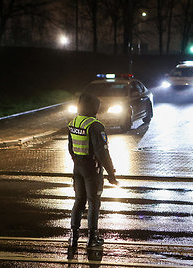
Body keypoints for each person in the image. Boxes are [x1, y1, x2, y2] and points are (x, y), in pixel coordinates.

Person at [68, 92, 119, 251]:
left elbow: (70, 147)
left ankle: (73, 236)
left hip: (78, 167)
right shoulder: (95, 126)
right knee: (93, 202)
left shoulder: (74, 122)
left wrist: (77, 161)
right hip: (92, 169)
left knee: (79, 201)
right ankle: (92, 238)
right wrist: (111, 174)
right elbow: (102, 152)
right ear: (94, 108)